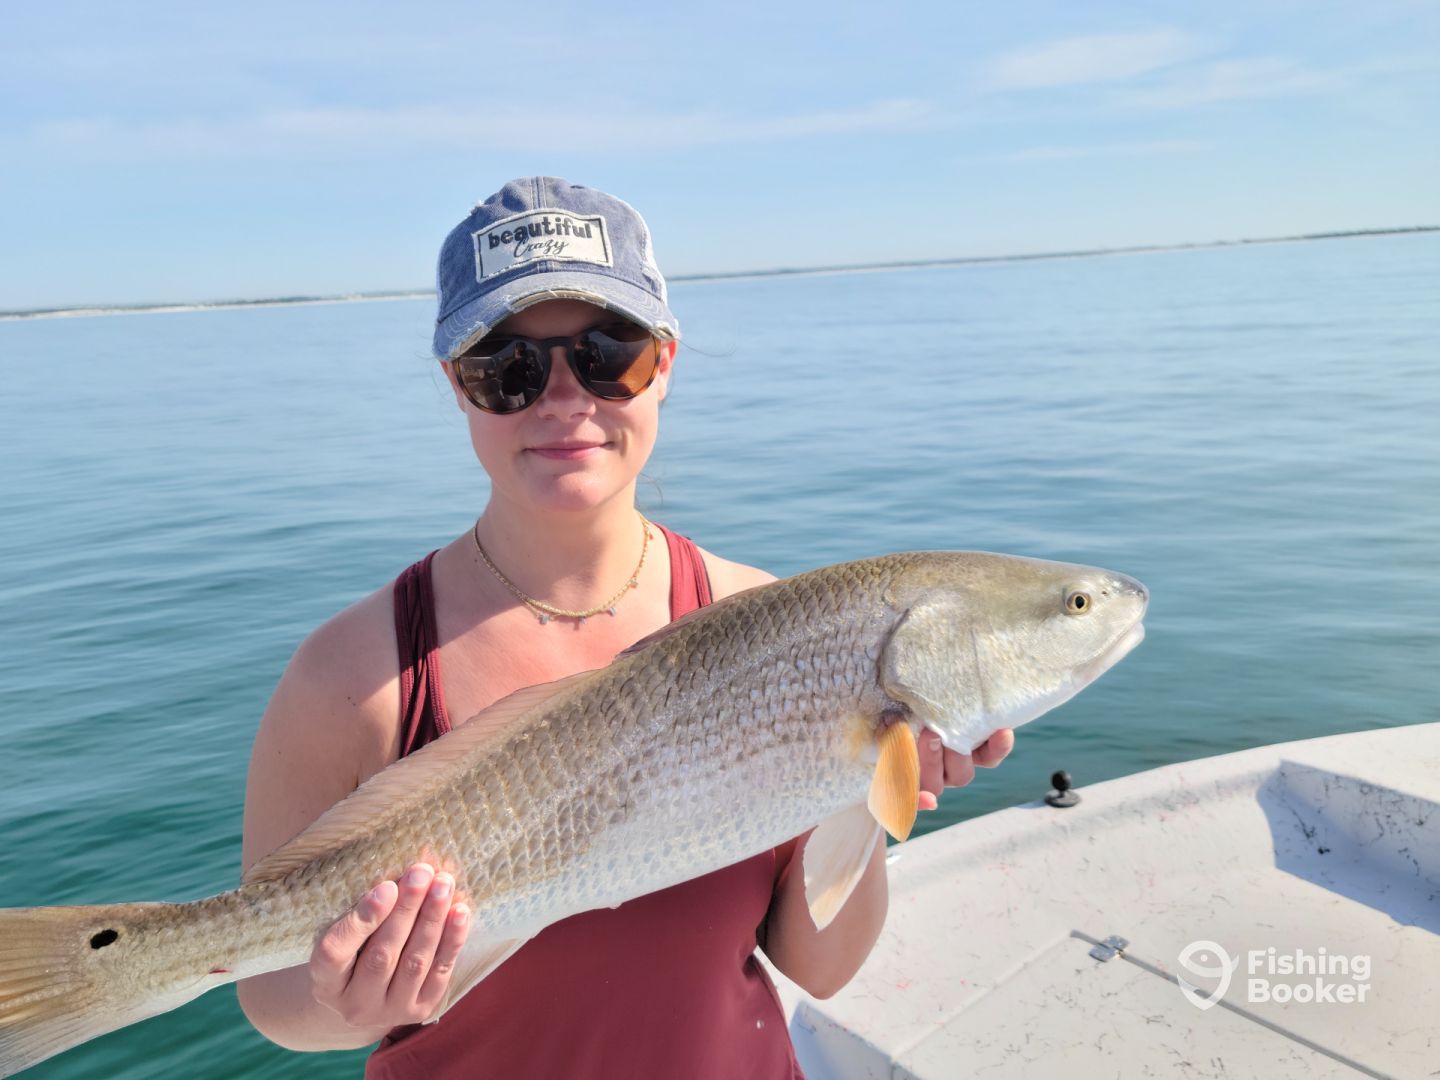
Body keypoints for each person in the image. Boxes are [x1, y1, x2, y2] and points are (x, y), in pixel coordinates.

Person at [236, 176, 1016, 1078]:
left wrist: (870, 786)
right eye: (508, 368)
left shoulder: (775, 627)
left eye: (611, 354)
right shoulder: (356, 675)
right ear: (457, 385)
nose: (566, 399)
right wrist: (341, 1006)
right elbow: (268, 996)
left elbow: (821, 968)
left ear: (666, 362)